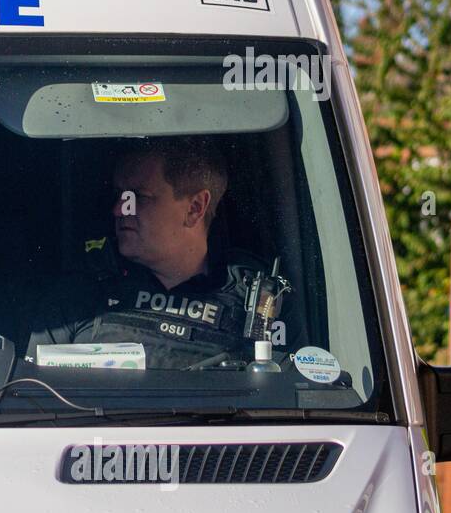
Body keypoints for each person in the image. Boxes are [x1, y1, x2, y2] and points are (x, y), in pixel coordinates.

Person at [21, 137, 285, 369]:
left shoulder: (259, 302)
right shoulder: (81, 292)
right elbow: (36, 398)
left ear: (194, 208)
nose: (119, 210)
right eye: (120, 196)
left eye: (138, 197)